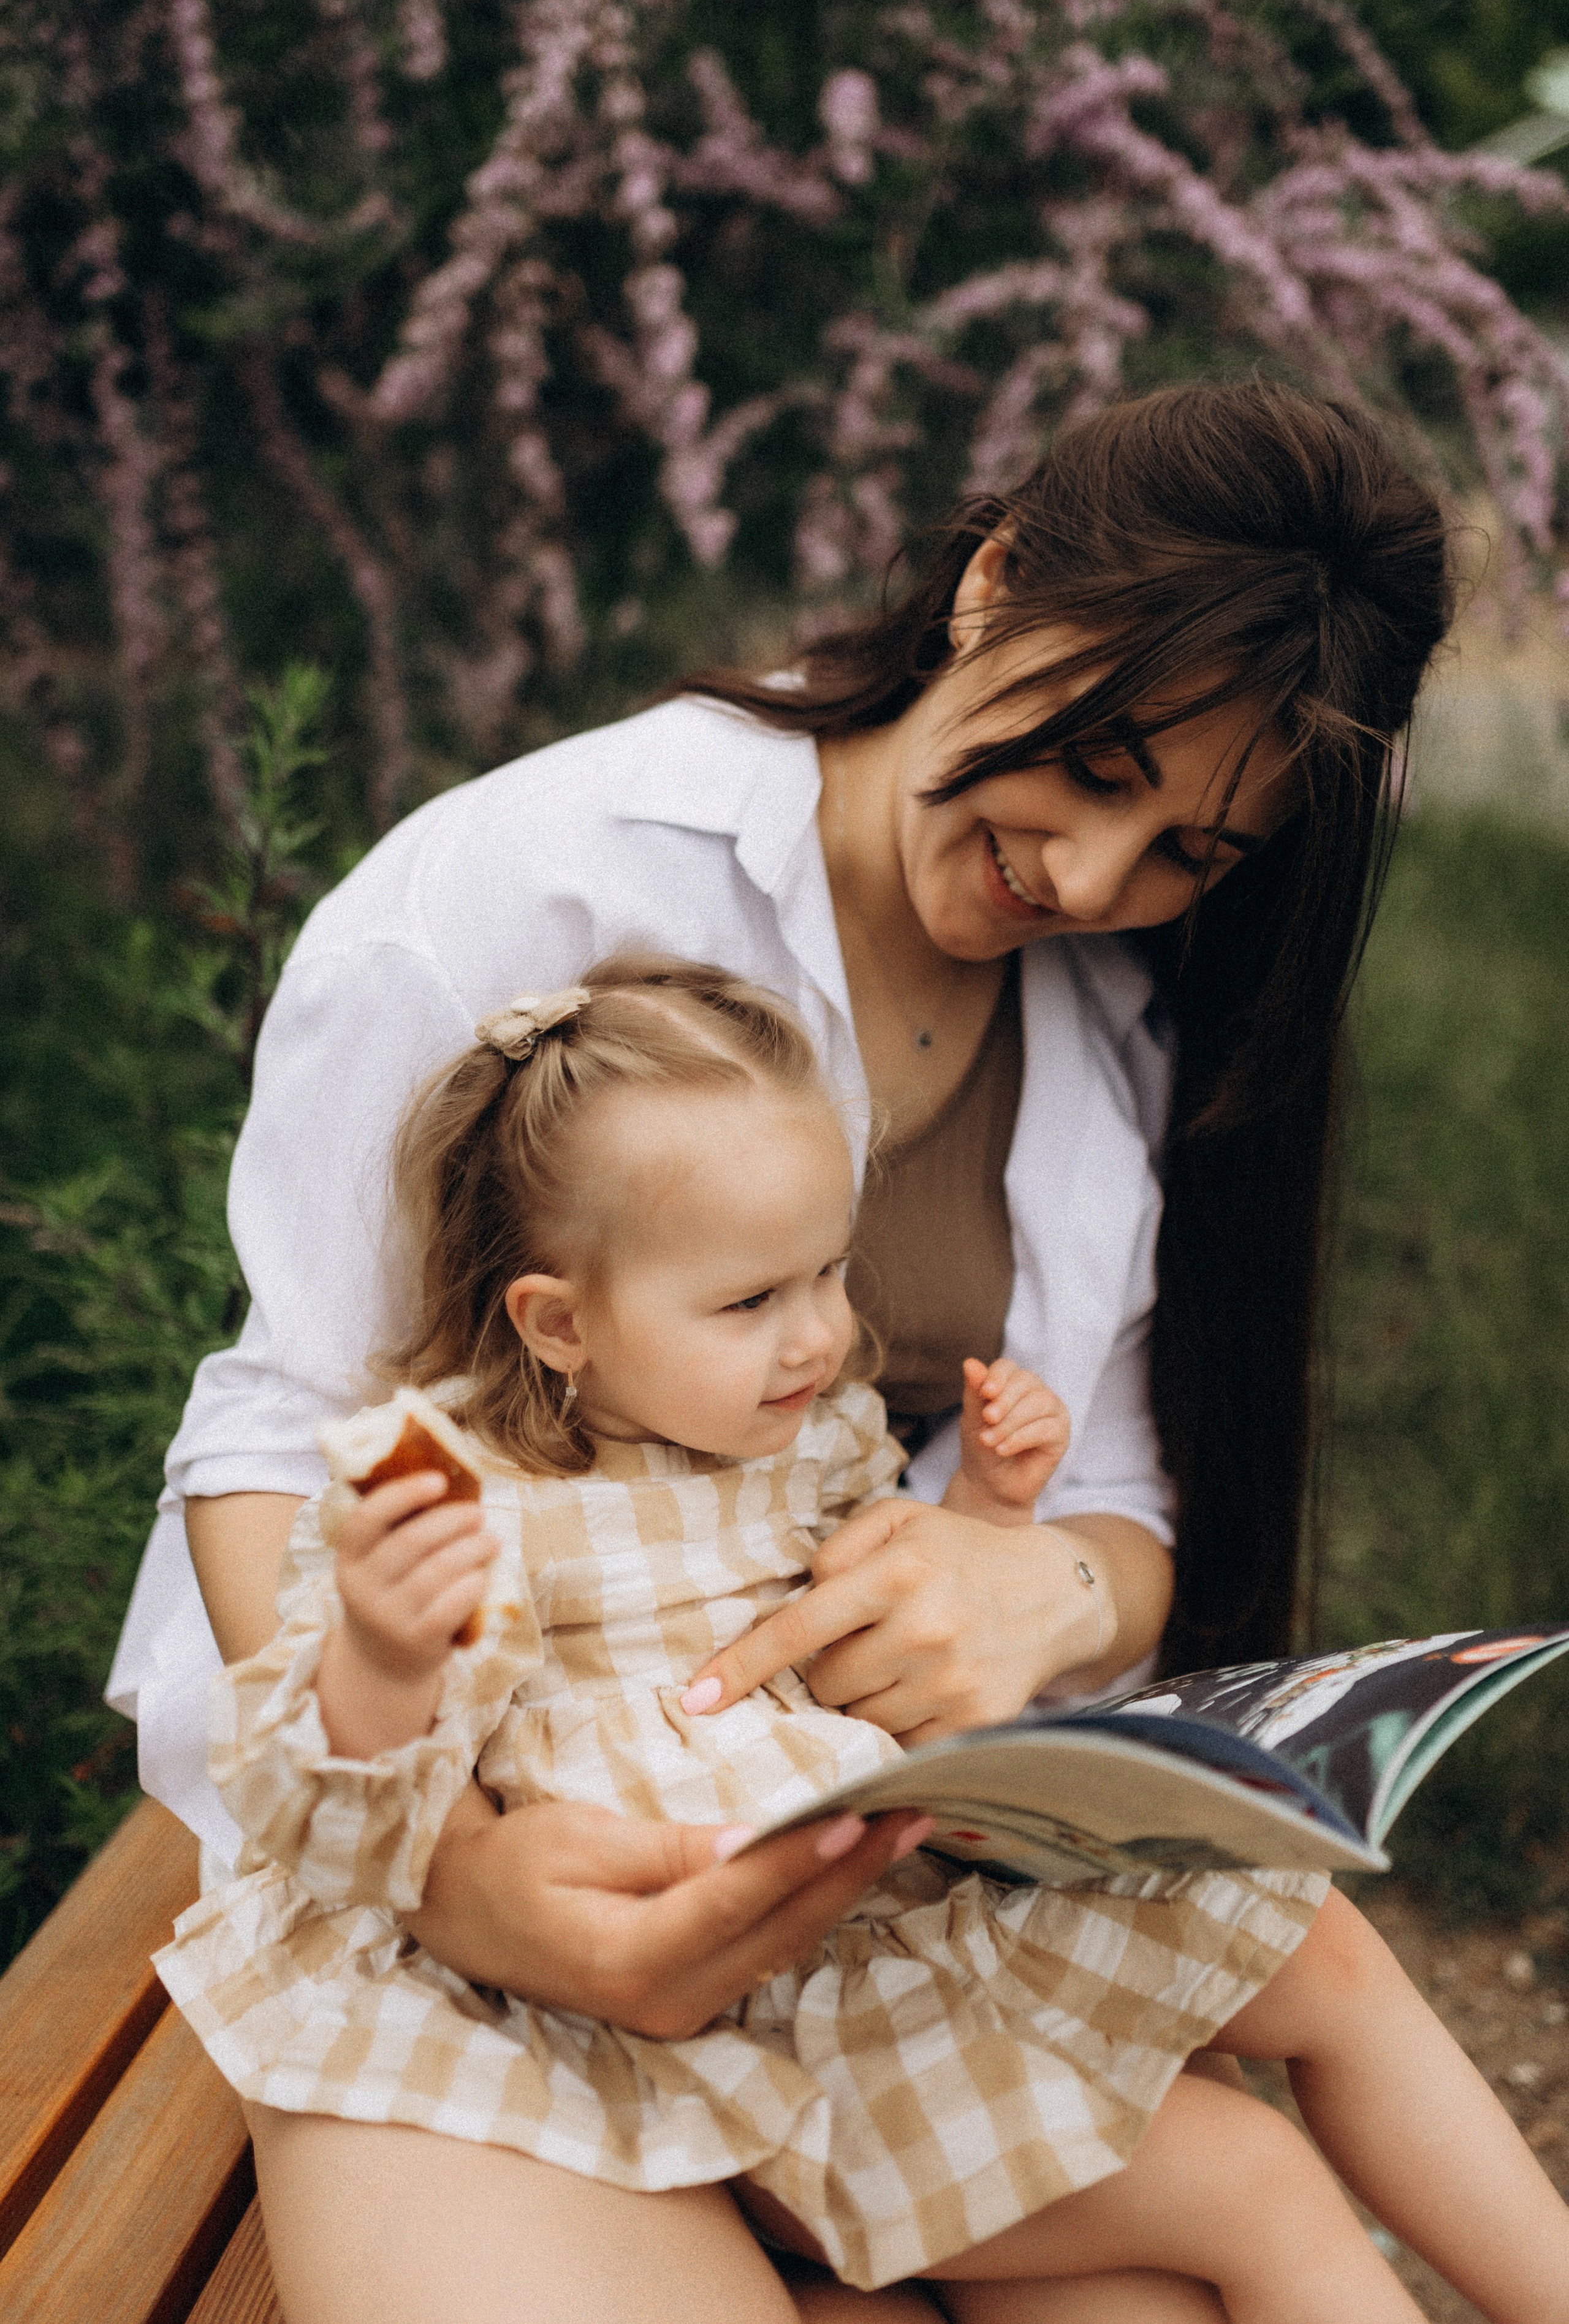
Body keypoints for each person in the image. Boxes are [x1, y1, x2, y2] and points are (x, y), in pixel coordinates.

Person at [108, 379, 1463, 2317]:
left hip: (863, 1903)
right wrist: (463, 1873)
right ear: (993, 583)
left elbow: (1129, 1496)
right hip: (478, 1856)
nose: (1093, 880)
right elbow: (274, 1439)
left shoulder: (1115, 1018)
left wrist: (1043, 1585)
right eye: (1092, 764)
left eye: (1192, 849)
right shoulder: (527, 887)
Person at [155, 962, 1569, 2324]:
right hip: (774, 2047)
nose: (818, 1336)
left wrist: (987, 1510)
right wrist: (385, 1649)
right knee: (1256, 2184)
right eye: (750, 1301)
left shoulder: (795, 1444)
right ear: (559, 1322)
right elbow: (346, 1805)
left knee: (1312, 1943)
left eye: (828, 1270)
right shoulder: (466, 1494)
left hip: (889, 1935)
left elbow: (886, 1623)